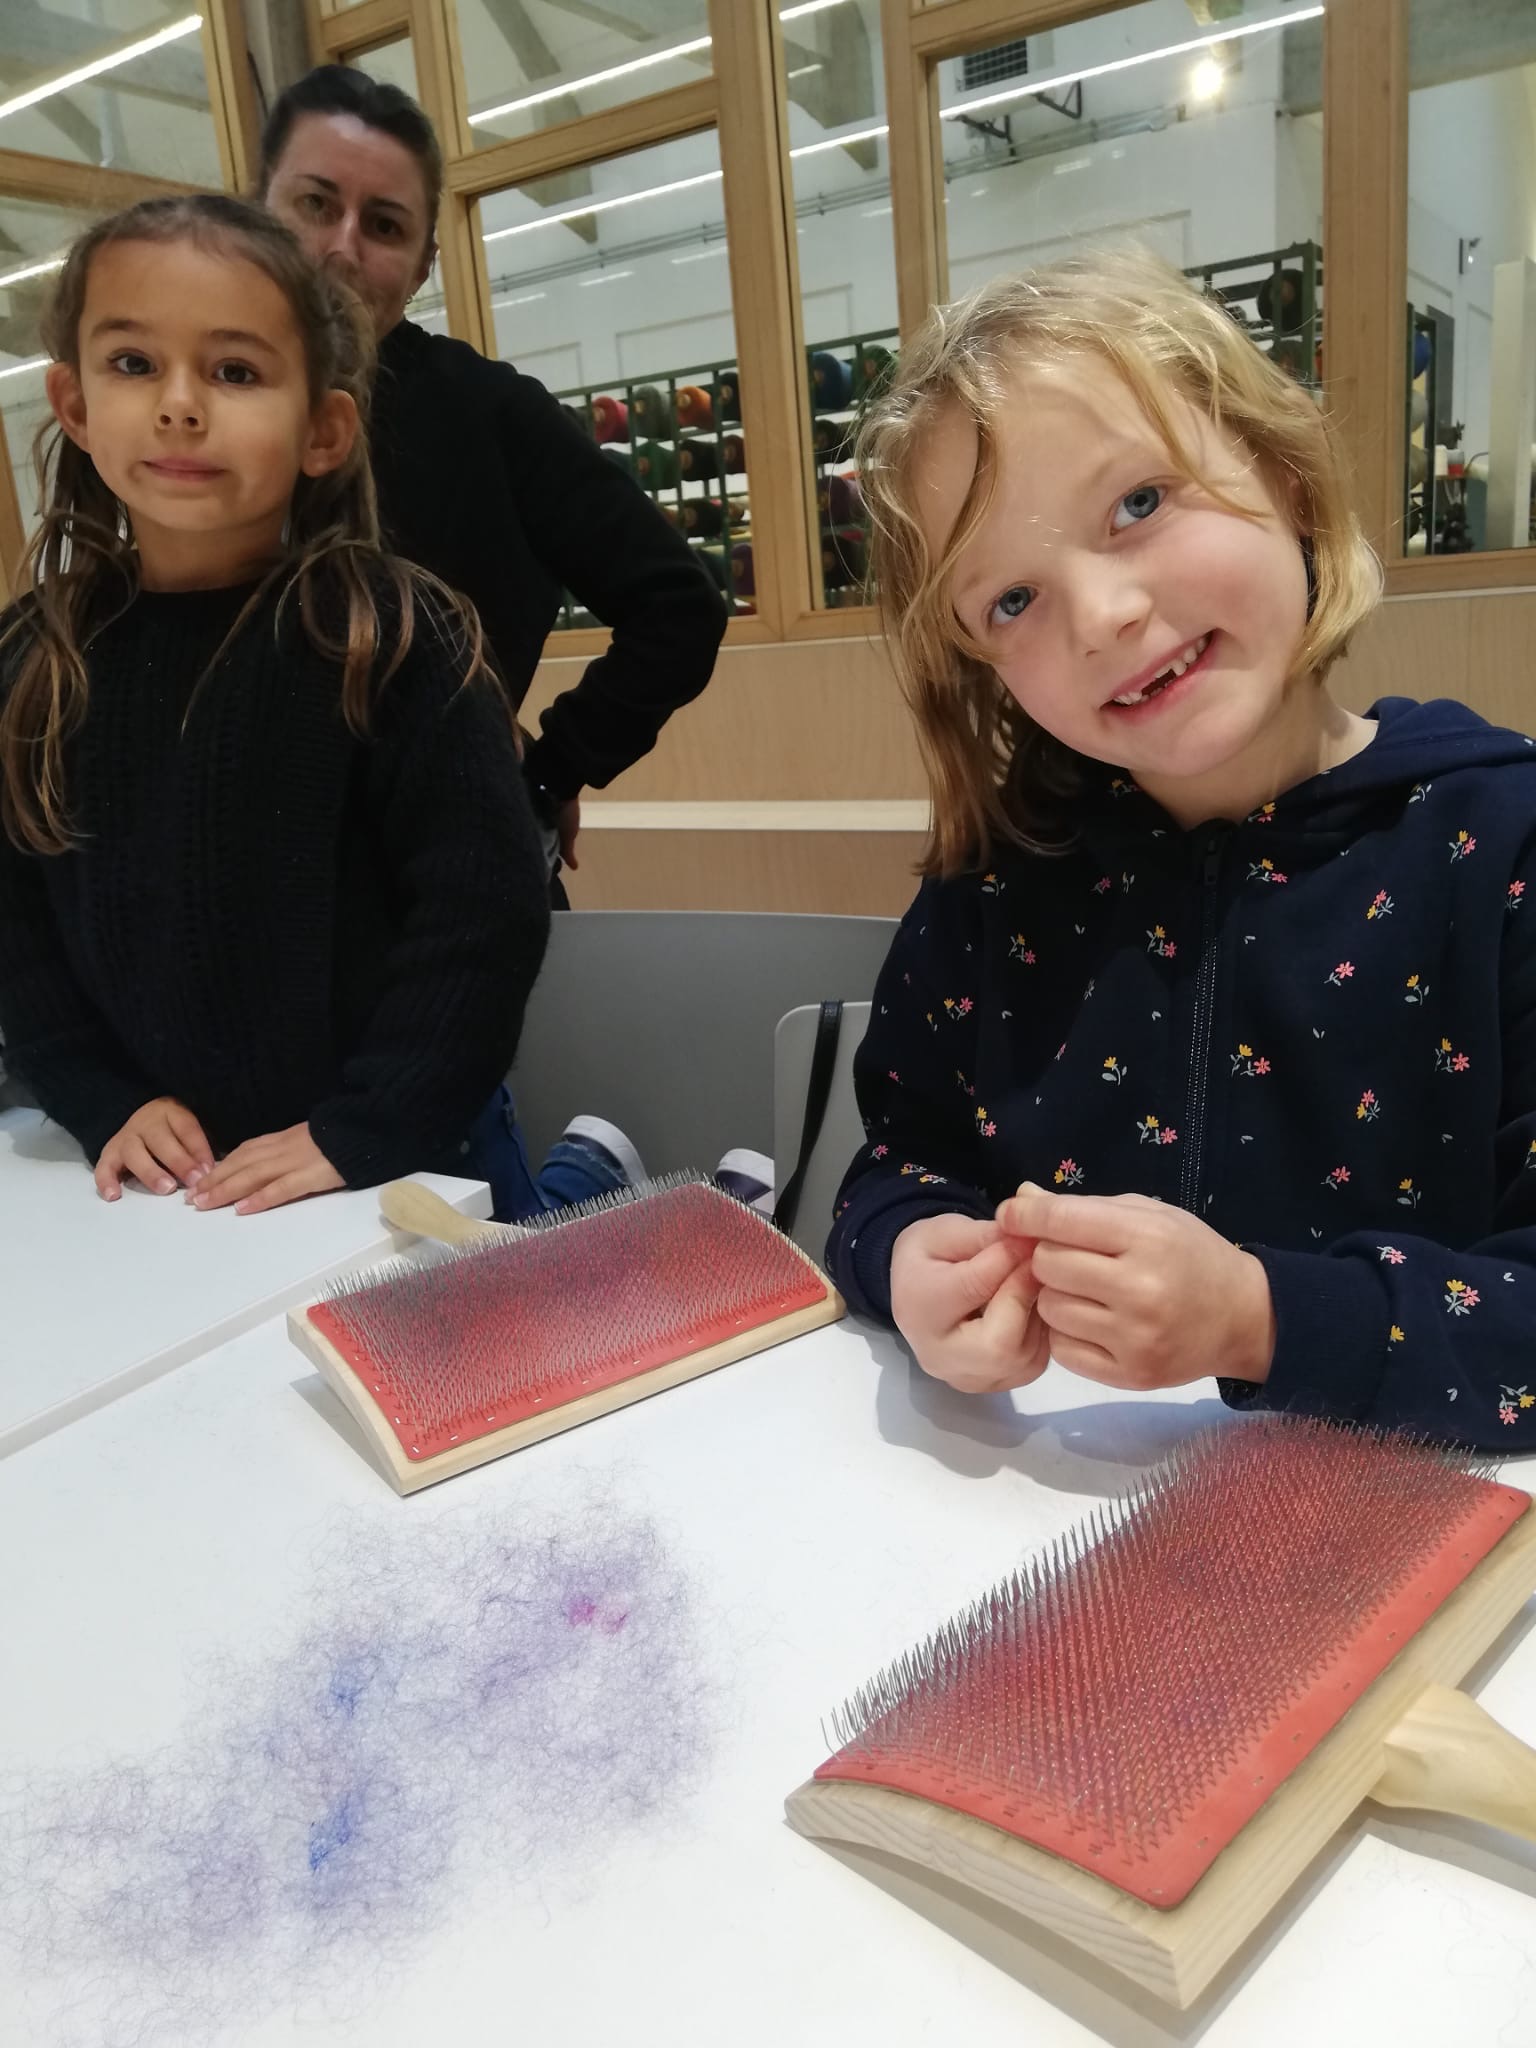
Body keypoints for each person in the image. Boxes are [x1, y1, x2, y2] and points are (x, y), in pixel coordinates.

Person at [825, 247, 1536, 1452]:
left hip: (1431, 1531)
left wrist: (1261, 1318)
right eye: (1012, 600)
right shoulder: (992, 886)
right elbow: (899, 1161)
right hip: (1046, 1521)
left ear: (1285, 474)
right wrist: (905, 1254)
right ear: (983, 670)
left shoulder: (1502, 844)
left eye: (1140, 503)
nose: (1104, 616)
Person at [0, 193, 561, 1219]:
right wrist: (98, 1096)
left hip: (404, 1159)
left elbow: (482, 909)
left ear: (323, 429)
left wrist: (372, 1122)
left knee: (524, 1297)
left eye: (235, 372)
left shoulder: (393, 637)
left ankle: (584, 1176)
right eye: (133, 362)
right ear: (73, 405)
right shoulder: (30, 660)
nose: (179, 405)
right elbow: (16, 921)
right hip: (171, 1189)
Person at [256, 64, 727, 886]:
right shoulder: (191, 412)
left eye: (385, 225)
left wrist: (548, 772)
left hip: (452, 877)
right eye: (316, 205)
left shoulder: (488, 414)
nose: (342, 249)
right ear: (255, 212)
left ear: (423, 264)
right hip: (258, 881)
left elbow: (679, 608)